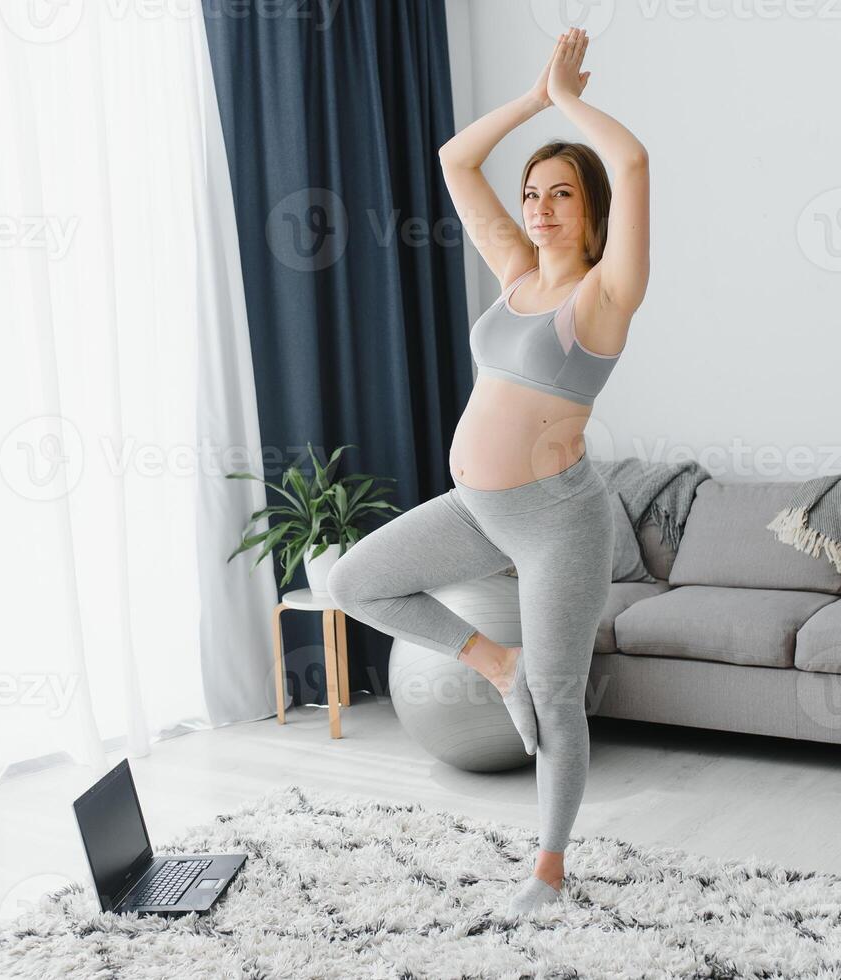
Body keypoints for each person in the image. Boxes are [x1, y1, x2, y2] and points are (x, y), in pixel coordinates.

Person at [325, 26, 649, 917]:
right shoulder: (513, 272)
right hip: (475, 507)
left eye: (562, 195)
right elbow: (455, 160)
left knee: (557, 701)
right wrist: (537, 99)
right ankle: (492, 663)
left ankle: (547, 869)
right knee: (353, 579)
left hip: (558, 521)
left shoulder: (605, 297)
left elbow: (636, 162)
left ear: (591, 213)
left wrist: (574, 102)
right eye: (534, 193)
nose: (542, 208)